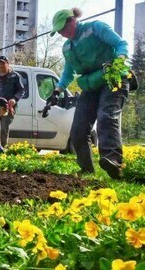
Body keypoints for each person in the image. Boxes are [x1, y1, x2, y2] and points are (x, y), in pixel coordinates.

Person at [48, 8, 129, 179]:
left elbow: (121, 44)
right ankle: (86, 170)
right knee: (78, 129)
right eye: (59, 31)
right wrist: (57, 91)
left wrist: (120, 59)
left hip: (112, 78)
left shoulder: (95, 28)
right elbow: (68, 73)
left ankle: (113, 160)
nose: (62, 33)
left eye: (63, 28)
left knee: (106, 116)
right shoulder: (67, 47)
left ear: (73, 21)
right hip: (91, 85)